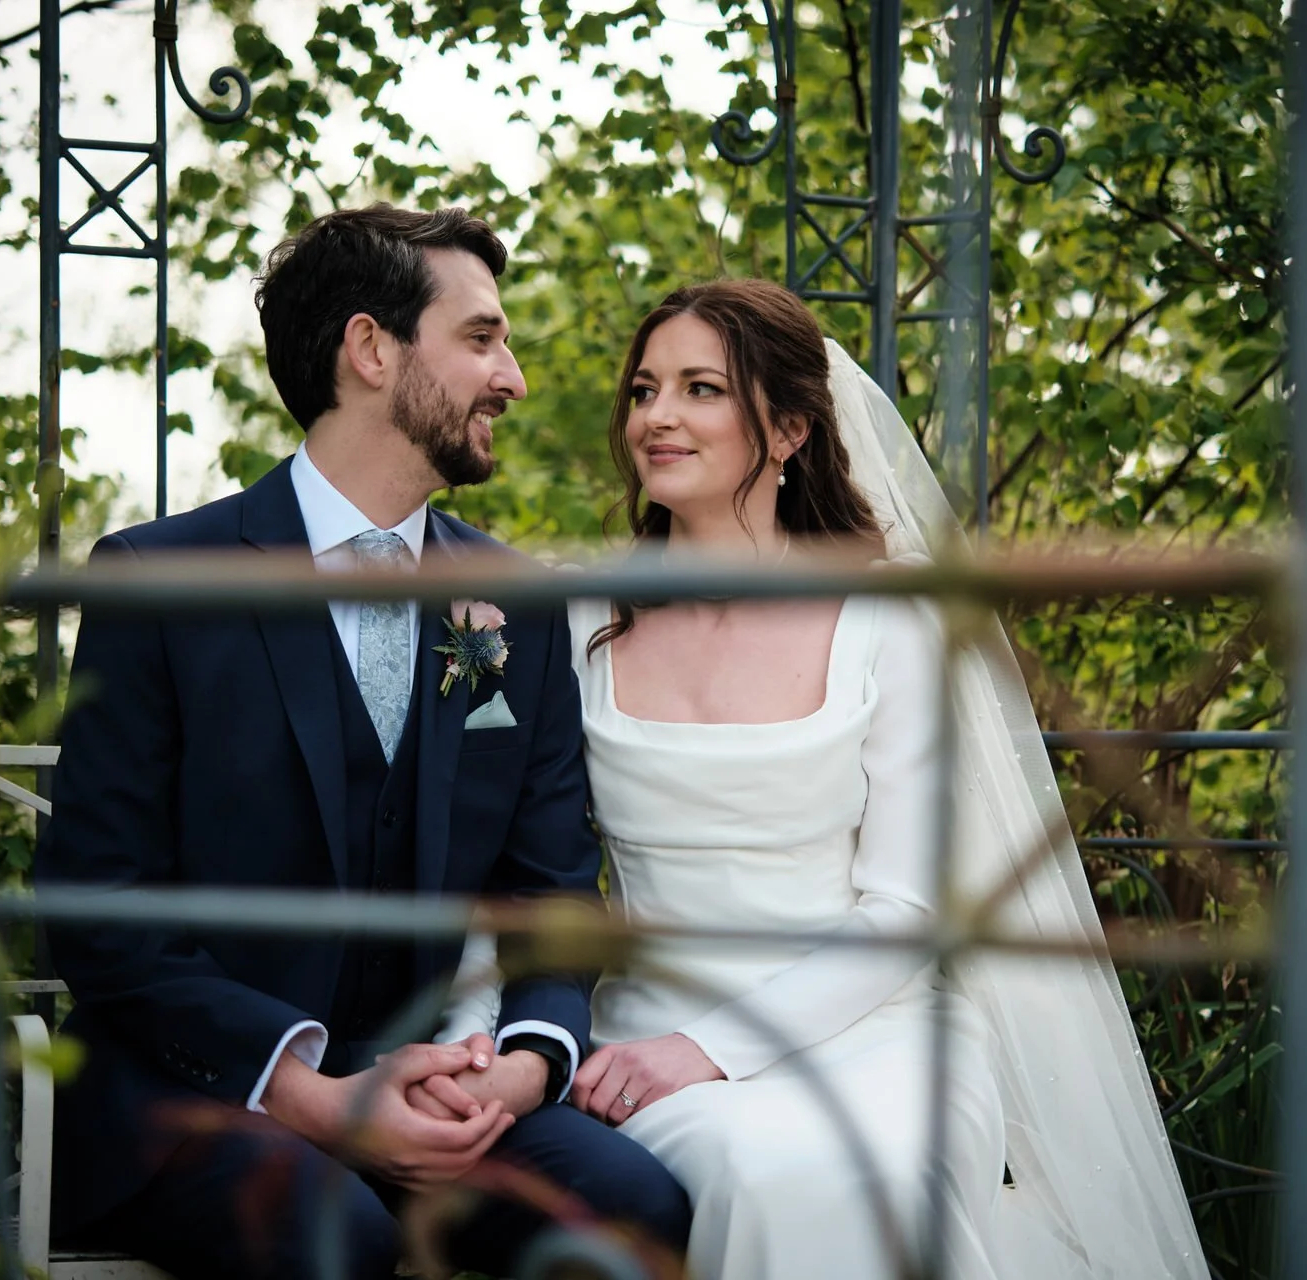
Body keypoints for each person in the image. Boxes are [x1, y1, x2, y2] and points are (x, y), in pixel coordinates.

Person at [445, 278, 1208, 1278]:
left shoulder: (889, 619)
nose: (658, 416)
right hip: (639, 1031)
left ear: (793, 427)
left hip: (872, 1033)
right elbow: (494, 848)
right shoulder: (570, 617)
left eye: (701, 388)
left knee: (846, 1172)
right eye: (644, 389)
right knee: (765, 1171)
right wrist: (481, 1041)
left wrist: (708, 1050)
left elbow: (902, 909)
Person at [35, 204, 690, 1279]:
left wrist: (517, 1071)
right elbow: (101, 910)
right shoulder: (164, 580)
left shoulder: (513, 607)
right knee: (340, 1238)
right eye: (481, 337)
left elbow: (554, 892)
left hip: (440, 1086)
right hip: (208, 1095)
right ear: (371, 349)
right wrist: (315, 1092)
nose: (513, 376)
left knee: (631, 1204)